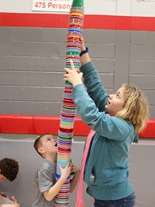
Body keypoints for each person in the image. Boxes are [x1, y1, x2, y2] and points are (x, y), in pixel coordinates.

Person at [63, 37, 149, 207]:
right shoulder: (113, 118)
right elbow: (96, 87)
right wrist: (83, 53)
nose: (110, 96)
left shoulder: (121, 127)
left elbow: (92, 116)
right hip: (107, 197)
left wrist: (78, 84)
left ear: (127, 108)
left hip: (116, 200)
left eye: (117, 96)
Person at [32, 133, 80, 207]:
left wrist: (77, 172)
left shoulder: (62, 163)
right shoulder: (44, 168)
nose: (54, 139)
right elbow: (48, 196)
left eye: (54, 138)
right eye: (49, 139)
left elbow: (70, 189)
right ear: (41, 150)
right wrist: (63, 177)